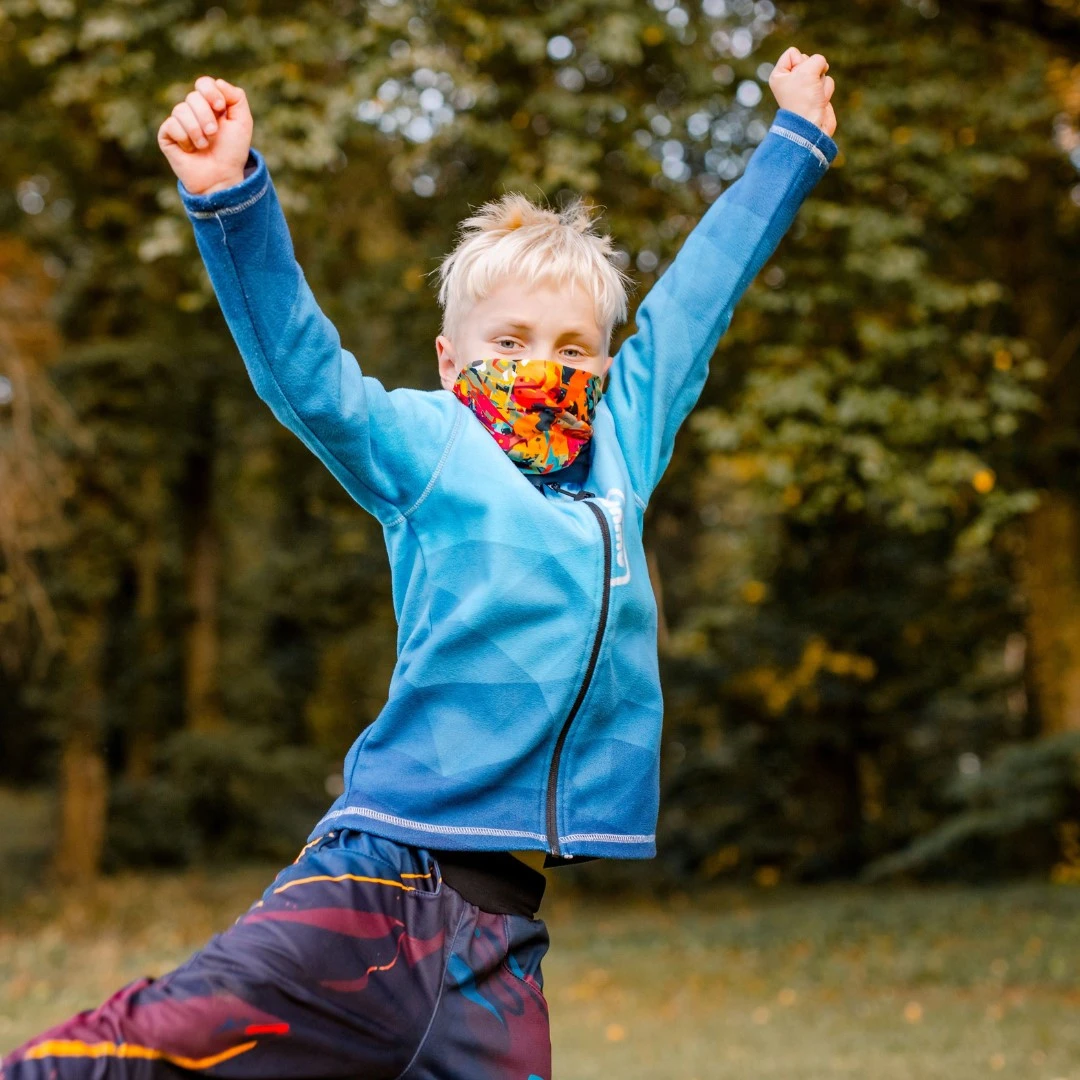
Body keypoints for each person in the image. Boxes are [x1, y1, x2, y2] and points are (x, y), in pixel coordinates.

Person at [2, 44, 837, 1080]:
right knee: (145, 1053)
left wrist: (792, 143)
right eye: (510, 341)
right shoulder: (430, 448)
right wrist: (229, 199)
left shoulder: (624, 449)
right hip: (376, 886)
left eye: (573, 347)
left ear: (607, 365)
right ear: (451, 359)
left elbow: (699, 297)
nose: (544, 367)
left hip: (500, 940)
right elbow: (306, 372)